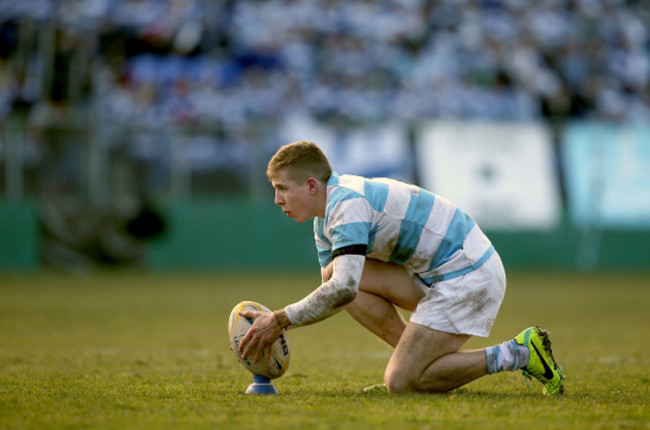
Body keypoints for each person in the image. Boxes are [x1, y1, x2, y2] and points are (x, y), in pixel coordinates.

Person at [238, 141, 565, 395]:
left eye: (282, 188)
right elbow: (337, 287)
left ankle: (519, 353)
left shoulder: (347, 205)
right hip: (435, 274)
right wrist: (279, 322)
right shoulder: (328, 216)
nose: (277, 199)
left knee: (400, 383)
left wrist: (279, 320)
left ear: (311, 185)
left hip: (469, 275)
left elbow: (343, 290)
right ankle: (413, 364)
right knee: (333, 275)